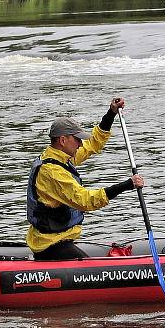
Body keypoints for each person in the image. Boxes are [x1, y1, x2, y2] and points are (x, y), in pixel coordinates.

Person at [26, 97, 143, 260]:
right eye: (77, 139)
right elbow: (85, 201)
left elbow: (92, 144)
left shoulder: (61, 157)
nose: (80, 144)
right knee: (95, 272)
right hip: (51, 245)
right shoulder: (52, 172)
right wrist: (126, 185)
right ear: (62, 140)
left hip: (60, 240)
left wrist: (111, 114)